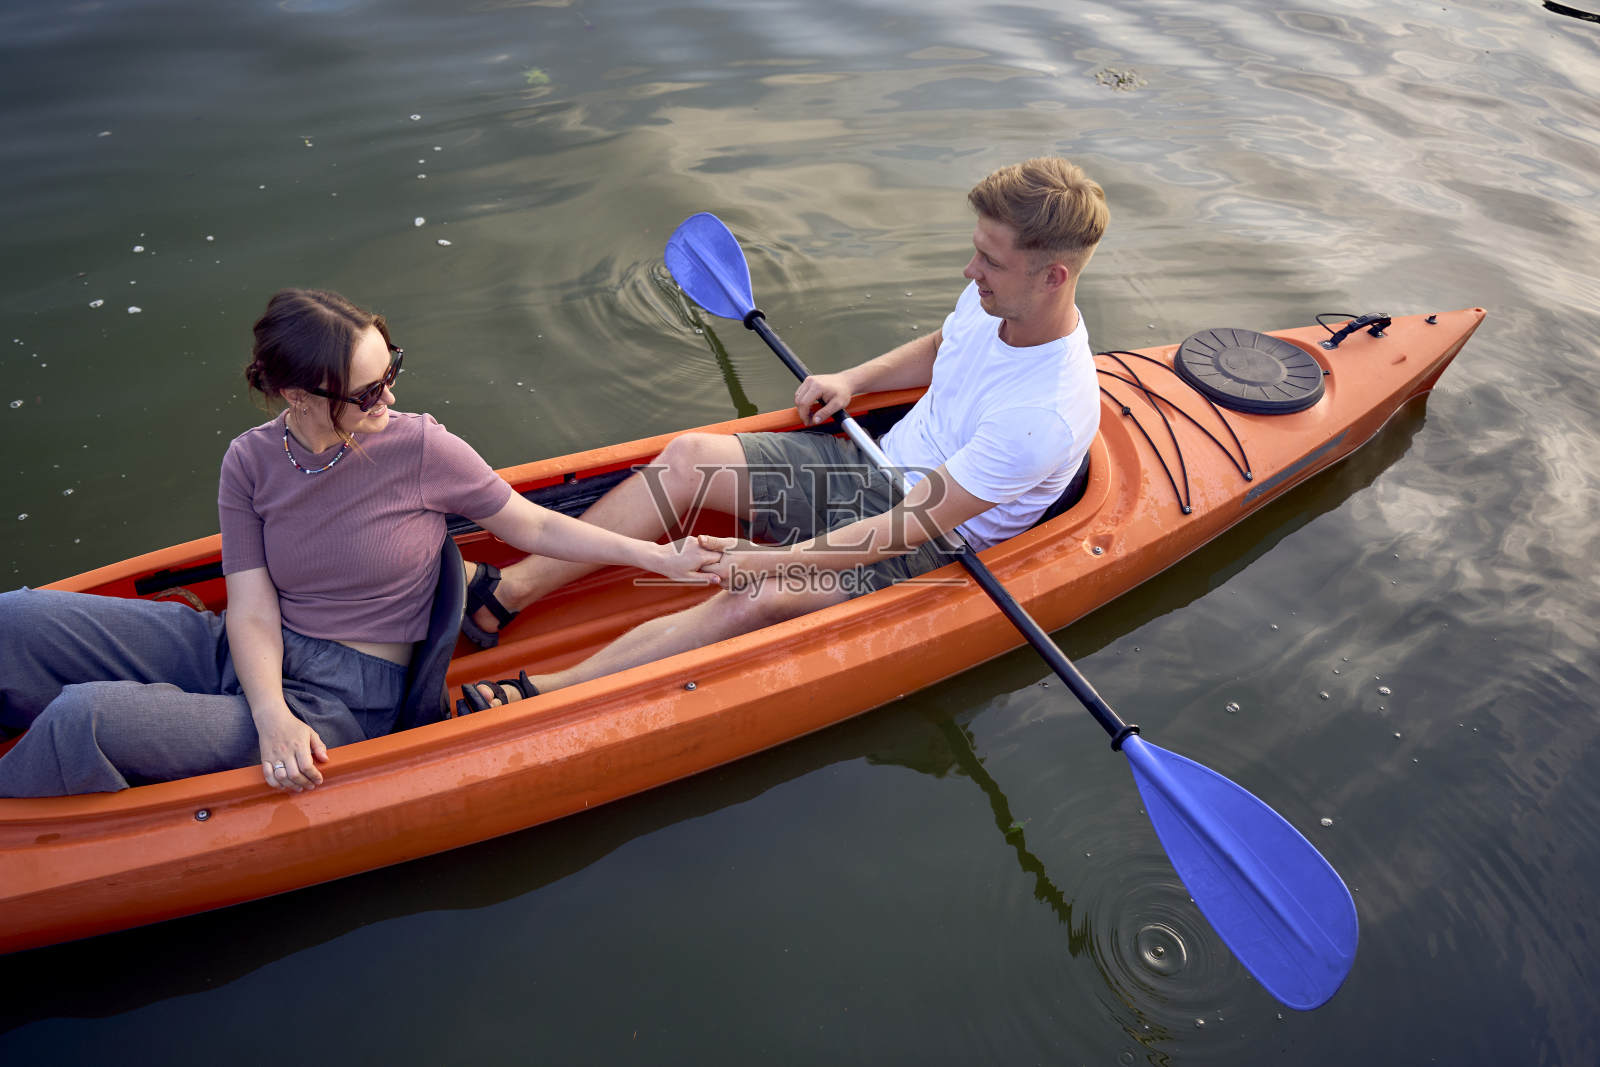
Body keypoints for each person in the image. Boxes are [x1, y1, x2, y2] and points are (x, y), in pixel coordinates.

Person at [0, 289, 721, 798]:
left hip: (341, 700)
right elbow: (249, 606)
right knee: (15, 619)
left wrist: (657, 555)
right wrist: (267, 714)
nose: (391, 400)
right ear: (300, 397)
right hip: (246, 647)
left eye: (392, 373)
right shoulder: (249, 461)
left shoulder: (420, 446)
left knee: (85, 715)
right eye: (369, 391)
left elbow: (528, 523)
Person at [457, 156, 1107, 710]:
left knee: (759, 594)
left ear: (1053, 276)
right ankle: (507, 590)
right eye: (975, 250)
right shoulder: (996, 297)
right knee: (687, 458)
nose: (970, 270)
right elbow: (944, 344)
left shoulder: (1042, 415)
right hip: (873, 466)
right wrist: (855, 378)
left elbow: (905, 526)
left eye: (988, 260)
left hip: (932, 541)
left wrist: (763, 562)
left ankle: (545, 692)